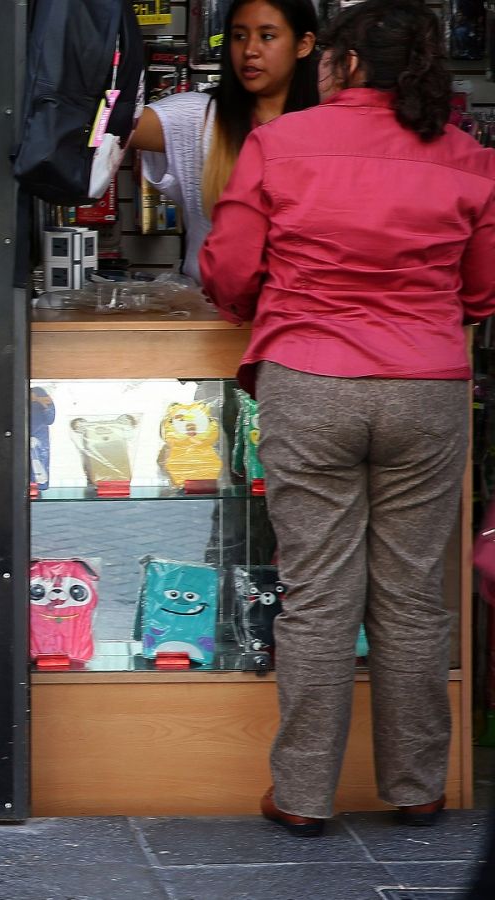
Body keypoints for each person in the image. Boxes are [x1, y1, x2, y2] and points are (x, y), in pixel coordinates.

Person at [199, 0, 495, 837]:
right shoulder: (471, 159)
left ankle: (300, 795)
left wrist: (263, 300)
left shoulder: (279, 144)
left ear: (351, 65)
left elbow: (227, 269)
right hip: (425, 387)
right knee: (410, 596)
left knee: (319, 595)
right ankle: (418, 787)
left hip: (311, 378)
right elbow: (482, 288)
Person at [127, 0, 320, 283]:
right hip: (214, 317)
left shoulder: (328, 129)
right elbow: (104, 124)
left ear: (303, 44)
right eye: (239, 36)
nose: (250, 50)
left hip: (300, 313)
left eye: (267, 36)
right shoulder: (198, 119)